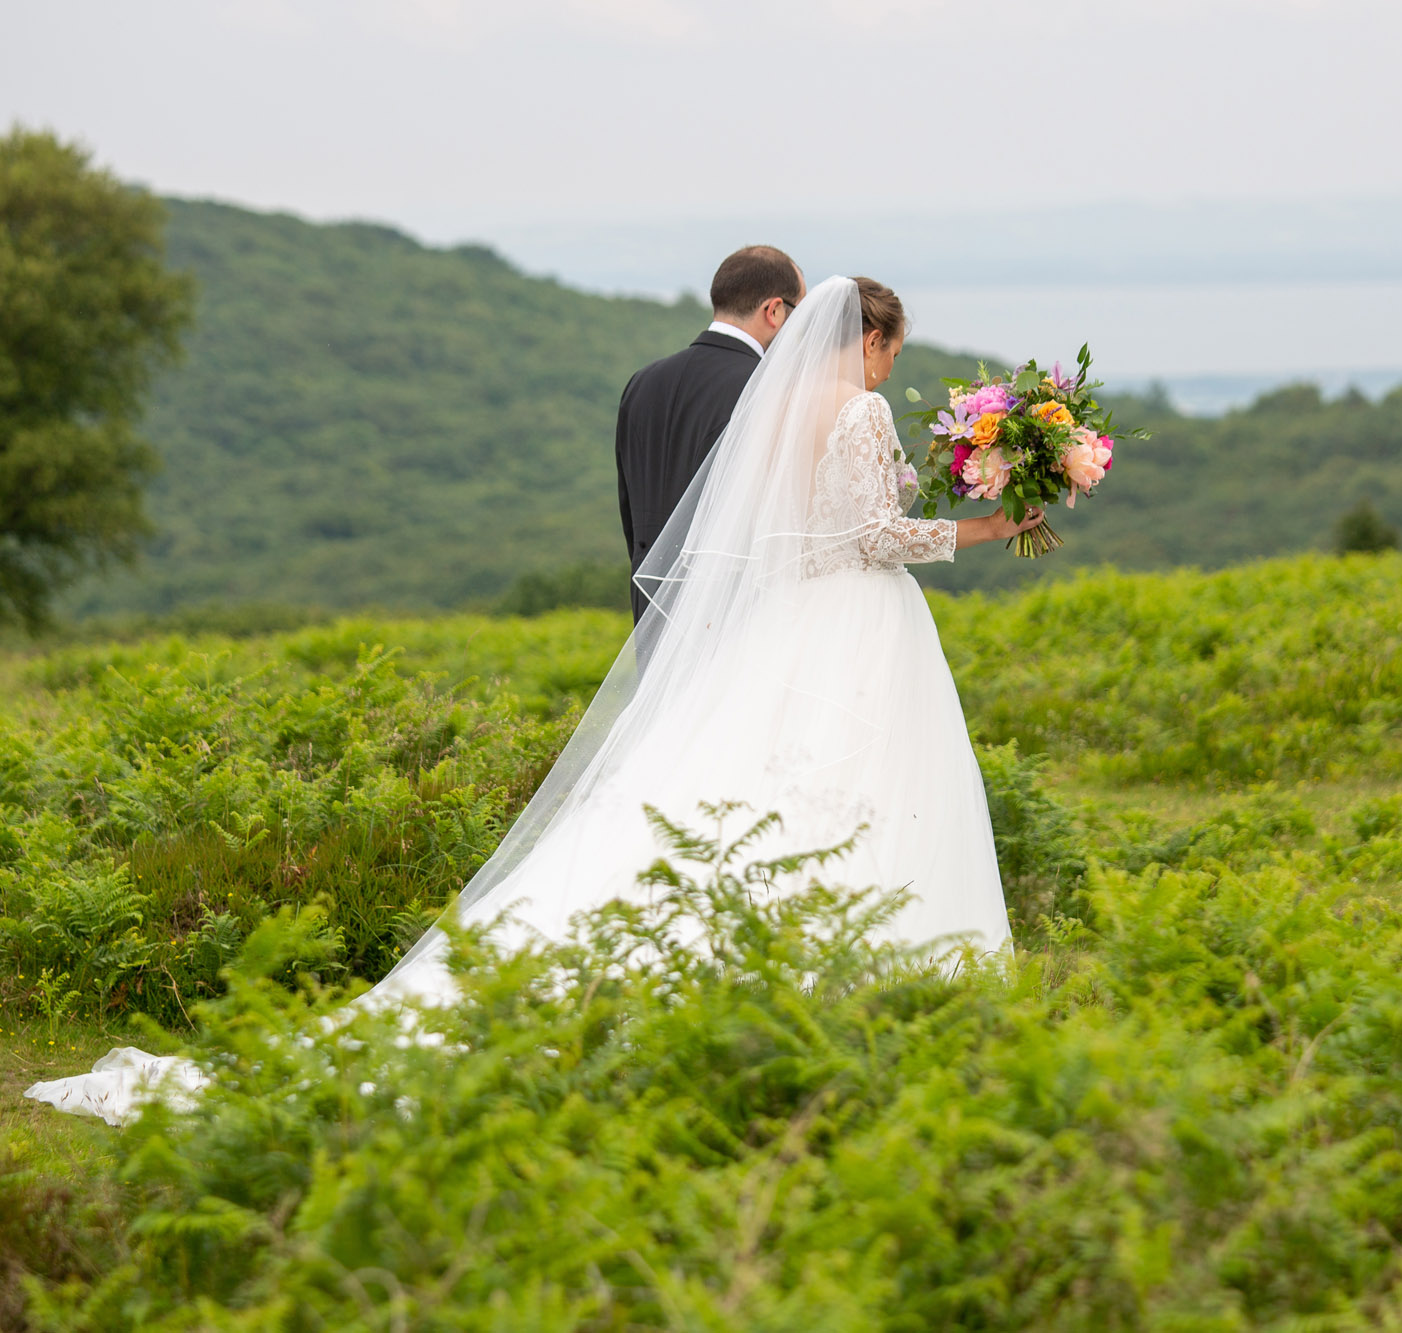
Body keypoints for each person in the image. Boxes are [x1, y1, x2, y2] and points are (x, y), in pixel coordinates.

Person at [26, 275, 1045, 1125]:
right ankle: (872, 978)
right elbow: (869, 536)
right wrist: (990, 530)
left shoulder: (779, 413)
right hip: (855, 622)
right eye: (890, 353)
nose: (887, 373)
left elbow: (813, 524)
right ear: (867, 336)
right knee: (853, 790)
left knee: (764, 793)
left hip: (790, 625)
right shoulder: (858, 409)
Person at [616, 245, 807, 624]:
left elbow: (630, 506)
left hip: (651, 605)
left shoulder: (642, 382)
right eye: (799, 313)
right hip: (731, 611)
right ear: (773, 311)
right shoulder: (766, 388)